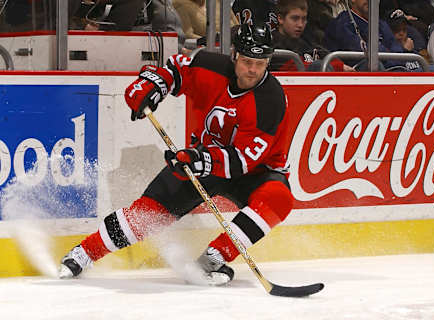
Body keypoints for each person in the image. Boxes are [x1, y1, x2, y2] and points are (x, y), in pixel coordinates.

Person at [58, 23, 294, 286]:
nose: (253, 69)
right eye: (248, 61)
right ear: (235, 55)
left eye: (260, 63)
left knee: (278, 198)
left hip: (255, 172)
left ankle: (214, 258)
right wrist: (153, 84)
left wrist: (198, 160)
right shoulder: (209, 65)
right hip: (204, 158)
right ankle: (84, 253)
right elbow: (176, 69)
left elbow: (241, 161)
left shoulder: (270, 100)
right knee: (147, 213)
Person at [270, 0, 353, 71]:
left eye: (304, 19)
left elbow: (323, 53)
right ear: (280, 18)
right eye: (295, 18)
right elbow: (296, 69)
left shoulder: (307, 41)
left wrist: (341, 66)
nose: (300, 24)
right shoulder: (273, 46)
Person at [323, 0, 407, 70]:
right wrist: (387, 54)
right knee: (373, 65)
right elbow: (364, 54)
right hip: (354, 80)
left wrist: (388, 58)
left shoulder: (381, 24)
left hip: (387, 74)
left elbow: (398, 53)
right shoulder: (341, 24)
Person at [173, 0, 238, 39]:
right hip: (203, 51)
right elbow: (188, 35)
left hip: (234, 48)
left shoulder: (219, 2)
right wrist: (214, 42)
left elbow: (238, 27)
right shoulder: (180, 5)